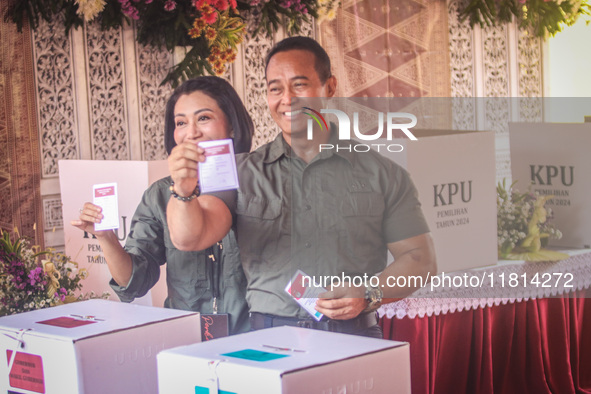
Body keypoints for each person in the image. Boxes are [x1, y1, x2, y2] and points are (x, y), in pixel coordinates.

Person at [167, 37, 437, 338]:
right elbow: (191, 238)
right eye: (275, 89)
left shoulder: (383, 173)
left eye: (299, 85)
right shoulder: (240, 171)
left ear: (329, 87)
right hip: (269, 340)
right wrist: (184, 189)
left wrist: (369, 292)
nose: (288, 99)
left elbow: (419, 258)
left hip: (354, 339)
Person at [71, 76, 253, 335]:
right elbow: (133, 283)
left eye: (203, 118)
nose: (191, 132)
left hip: (257, 338)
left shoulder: (261, 182)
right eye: (181, 123)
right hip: (186, 339)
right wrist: (106, 238)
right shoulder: (159, 195)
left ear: (232, 126)